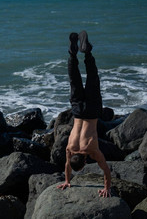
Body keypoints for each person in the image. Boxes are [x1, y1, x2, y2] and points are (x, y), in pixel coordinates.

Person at [56, 31, 111, 198]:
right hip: (78, 111)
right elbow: (67, 165)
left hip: (92, 111)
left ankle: (87, 52)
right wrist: (67, 179)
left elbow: (106, 170)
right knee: (74, 80)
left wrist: (106, 187)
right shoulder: (69, 148)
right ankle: (73, 54)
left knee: (92, 78)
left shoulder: (92, 150)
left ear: (86, 161)